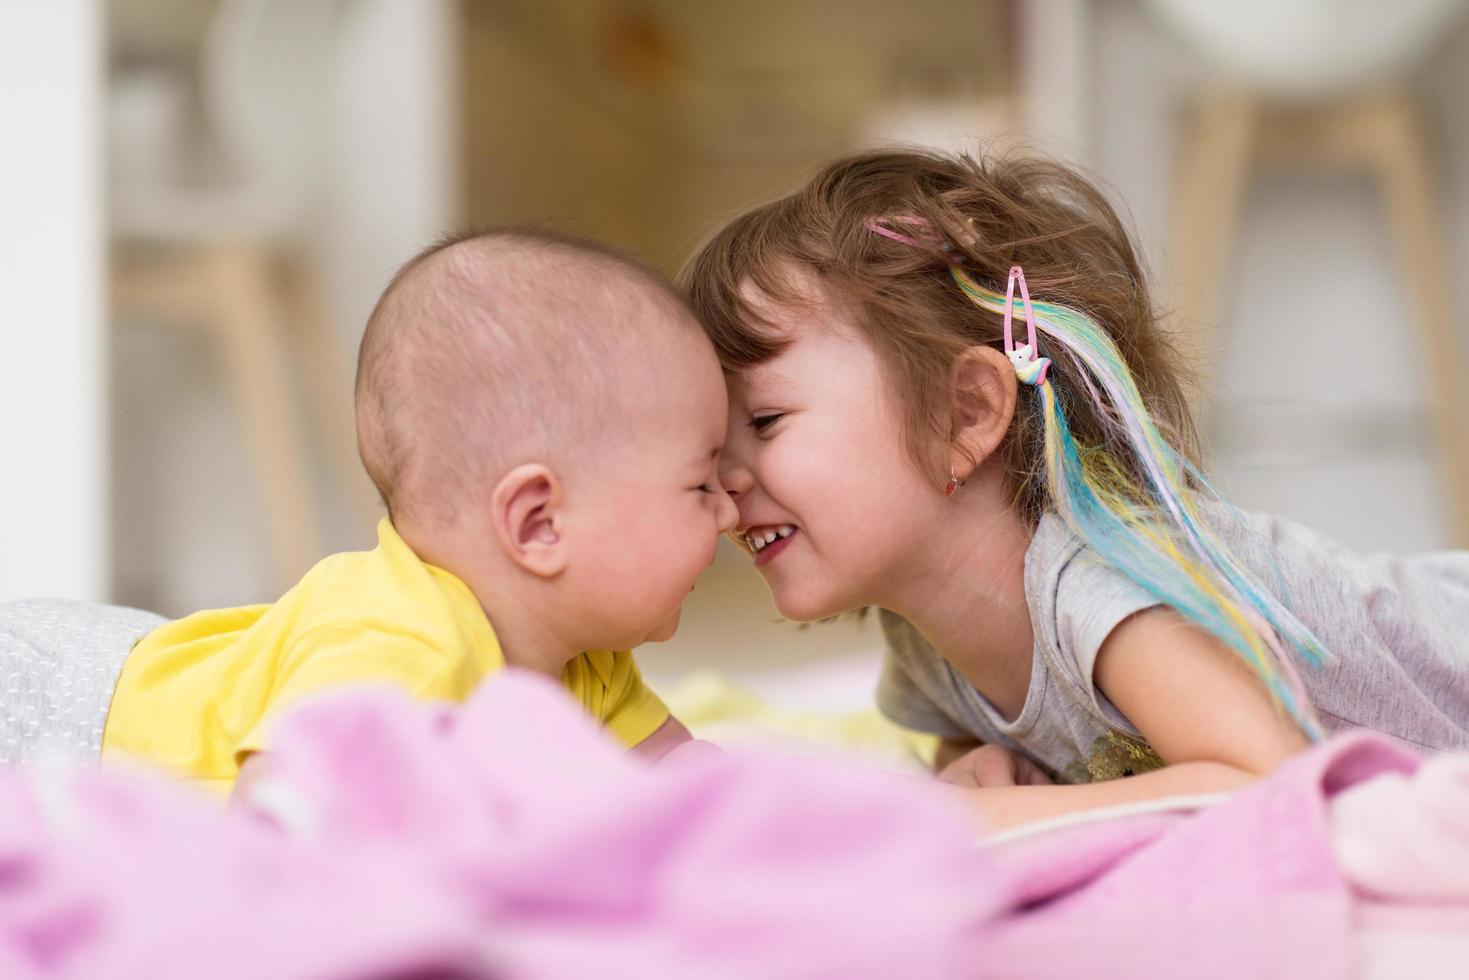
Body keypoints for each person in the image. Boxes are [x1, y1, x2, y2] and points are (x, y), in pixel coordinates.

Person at [682, 148, 1469, 829]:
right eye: (714, 439)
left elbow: (1266, 780)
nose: (722, 476)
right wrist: (975, 764)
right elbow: (970, 733)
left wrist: (1000, 816)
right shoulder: (920, 634)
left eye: (767, 420)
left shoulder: (1101, 586)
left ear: (965, 413)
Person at [91, 227, 737, 794]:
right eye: (700, 486)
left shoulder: (590, 663)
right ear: (537, 523)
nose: (730, 512)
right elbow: (282, 815)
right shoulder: (395, 640)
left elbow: (678, 786)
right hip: (68, 722)